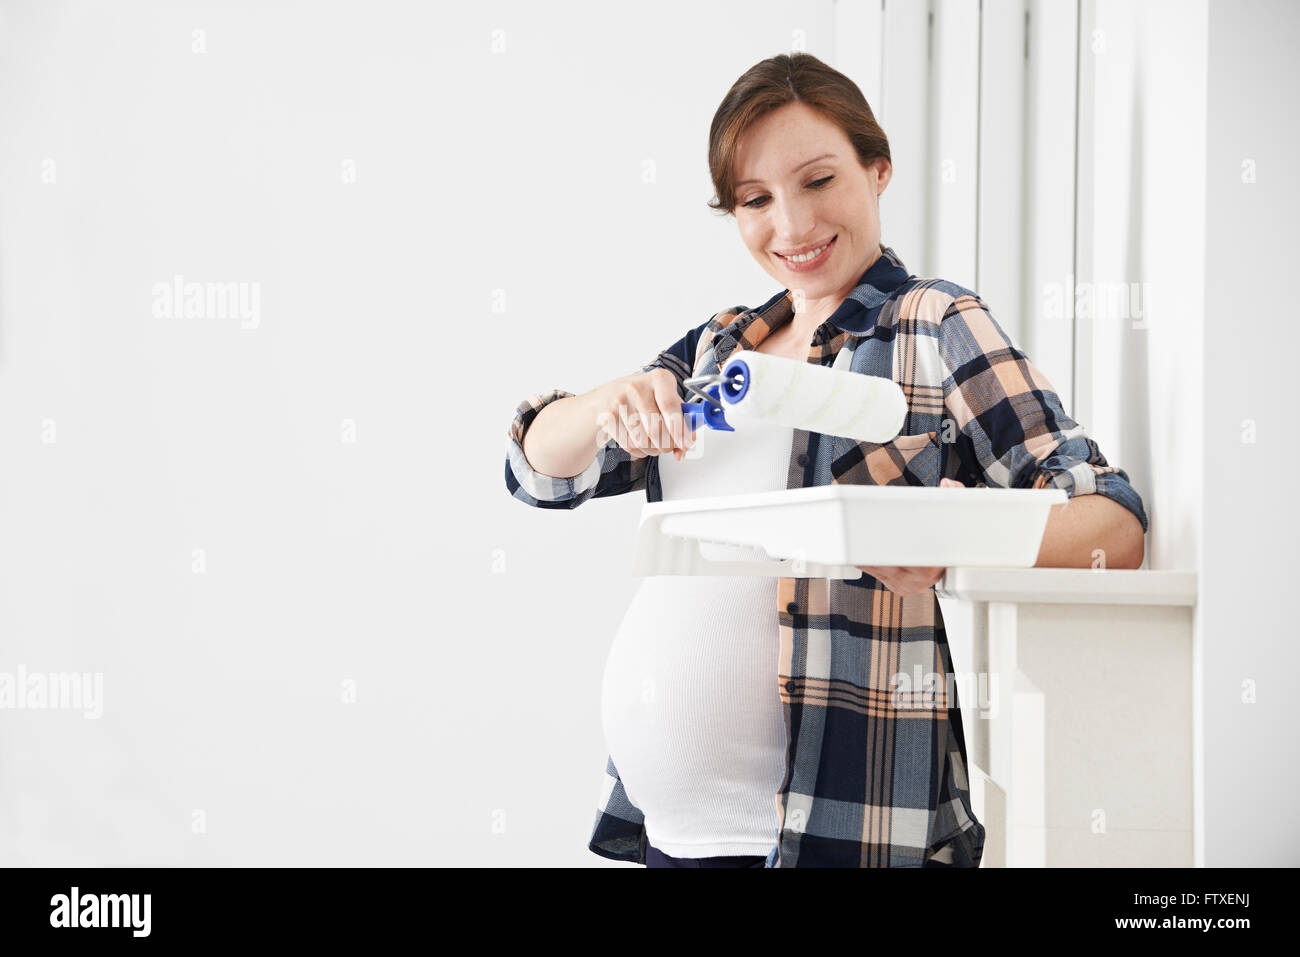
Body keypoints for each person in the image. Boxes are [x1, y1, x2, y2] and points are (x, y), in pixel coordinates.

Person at [504, 52, 1148, 868]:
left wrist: (949, 538)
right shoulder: (720, 345)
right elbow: (539, 471)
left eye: (818, 181)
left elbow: (1113, 524)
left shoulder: (933, 323)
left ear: (878, 169)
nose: (793, 226)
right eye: (756, 200)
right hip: (669, 835)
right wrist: (612, 403)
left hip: (834, 833)